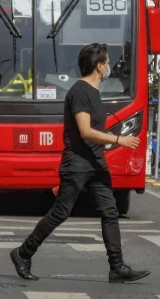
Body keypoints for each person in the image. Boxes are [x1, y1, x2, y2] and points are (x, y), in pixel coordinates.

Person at [10, 43, 150, 283]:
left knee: (110, 211)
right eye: (107, 63)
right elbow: (85, 131)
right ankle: (23, 253)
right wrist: (119, 140)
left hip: (96, 163)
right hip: (77, 162)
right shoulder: (80, 91)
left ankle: (117, 266)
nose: (109, 67)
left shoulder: (94, 93)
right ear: (99, 66)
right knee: (60, 212)